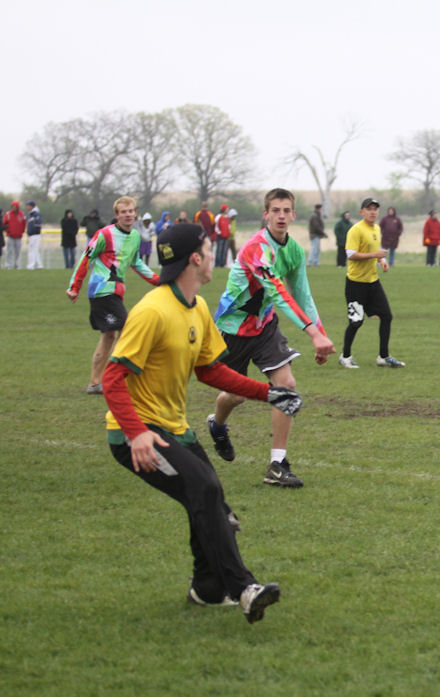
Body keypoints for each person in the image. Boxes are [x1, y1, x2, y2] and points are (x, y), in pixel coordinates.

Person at [102, 221, 293, 623]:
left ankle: (206, 589)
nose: (213, 258)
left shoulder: (198, 307)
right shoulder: (152, 310)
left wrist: (268, 393)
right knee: (206, 490)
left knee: (209, 500)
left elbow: (210, 370)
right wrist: (136, 434)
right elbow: (112, 378)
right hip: (136, 432)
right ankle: (243, 588)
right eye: (208, 250)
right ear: (194, 258)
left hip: (175, 429)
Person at [208, 187, 336, 488]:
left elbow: (302, 296)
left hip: (265, 326)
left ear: (293, 214)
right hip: (233, 329)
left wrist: (322, 337)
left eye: (286, 210)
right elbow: (278, 293)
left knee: (286, 386)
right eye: (275, 210)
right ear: (265, 214)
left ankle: (277, 465)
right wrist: (312, 333)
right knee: (235, 395)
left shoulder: (294, 251)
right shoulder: (256, 248)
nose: (281, 215)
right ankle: (217, 425)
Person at [66, 196, 161, 394]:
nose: (128, 215)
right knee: (128, 330)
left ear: (136, 214)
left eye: (131, 211)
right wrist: (75, 286)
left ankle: (95, 383)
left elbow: (136, 262)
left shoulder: (135, 236)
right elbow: (86, 258)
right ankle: (116, 378)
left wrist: (157, 280)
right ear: (117, 215)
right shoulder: (104, 234)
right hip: (102, 290)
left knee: (109, 336)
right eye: (123, 212)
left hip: (116, 292)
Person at [338, 197, 405, 370]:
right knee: (356, 321)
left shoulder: (376, 228)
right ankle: (345, 356)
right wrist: (375, 255)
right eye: (369, 209)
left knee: (387, 316)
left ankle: (384, 357)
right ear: (362, 212)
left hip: (373, 282)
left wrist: (381, 261)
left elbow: (375, 251)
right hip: (355, 284)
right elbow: (351, 254)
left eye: (375, 209)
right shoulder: (356, 230)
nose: (373, 212)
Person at [4, 201, 26, 269]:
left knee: (18, 252)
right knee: (9, 252)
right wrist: (8, 231)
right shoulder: (8, 214)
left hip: (18, 237)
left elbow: (24, 224)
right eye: (12, 206)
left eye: (15, 207)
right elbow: (4, 224)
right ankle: (8, 265)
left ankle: (17, 265)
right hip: (10, 236)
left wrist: (21, 232)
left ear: (17, 207)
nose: (14, 208)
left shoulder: (22, 214)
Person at [25, 201, 44, 270]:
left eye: (28, 205)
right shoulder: (32, 214)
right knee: (35, 250)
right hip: (32, 235)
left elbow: (37, 225)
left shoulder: (36, 214)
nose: (27, 207)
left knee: (32, 250)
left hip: (35, 235)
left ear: (31, 206)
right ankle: (39, 265)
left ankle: (31, 266)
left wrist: (32, 232)